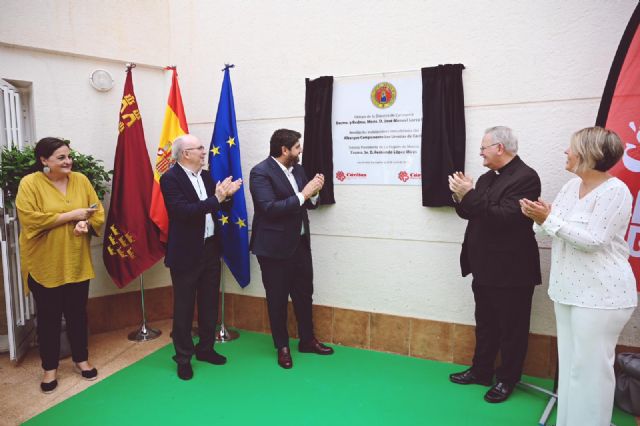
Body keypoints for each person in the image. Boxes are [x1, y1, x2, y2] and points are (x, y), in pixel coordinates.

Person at [520, 126, 637, 426]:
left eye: (571, 147)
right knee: (572, 368)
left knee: (591, 372)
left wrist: (551, 220)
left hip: (602, 295)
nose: (566, 152)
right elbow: (545, 229)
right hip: (568, 292)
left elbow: (594, 240)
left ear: (591, 154)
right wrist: (541, 217)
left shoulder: (615, 191)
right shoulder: (570, 188)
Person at [447, 126, 541, 403]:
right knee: (485, 323)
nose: (480, 153)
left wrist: (471, 194)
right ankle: (481, 371)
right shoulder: (488, 178)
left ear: (499, 148)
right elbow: (471, 212)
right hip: (484, 265)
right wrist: (459, 195)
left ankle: (507, 379)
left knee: (512, 329)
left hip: (512, 270)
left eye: (483, 148)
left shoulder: (526, 178)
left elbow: (504, 217)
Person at [15, 137, 105, 394]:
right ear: (44, 160)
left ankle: (81, 360)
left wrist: (85, 224)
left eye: (68, 156)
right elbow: (31, 219)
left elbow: (95, 211)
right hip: (44, 264)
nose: (68, 162)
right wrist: (72, 216)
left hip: (76, 261)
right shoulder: (29, 183)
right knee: (49, 319)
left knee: (78, 314)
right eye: (61, 158)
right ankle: (49, 369)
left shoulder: (81, 180)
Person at [249, 128, 334, 369]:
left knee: (304, 294)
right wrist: (304, 193)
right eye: (297, 147)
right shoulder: (260, 172)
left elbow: (306, 203)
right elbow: (269, 208)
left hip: (299, 245)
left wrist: (314, 194)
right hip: (273, 249)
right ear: (284, 150)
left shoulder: (298, 169)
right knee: (277, 299)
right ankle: (282, 347)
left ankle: (307, 340)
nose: (301, 150)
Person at [160, 134, 242, 380]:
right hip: (185, 253)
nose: (204, 152)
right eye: (199, 148)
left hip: (210, 249)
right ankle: (183, 358)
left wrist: (226, 196)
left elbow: (218, 208)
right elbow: (183, 212)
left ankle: (205, 349)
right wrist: (216, 198)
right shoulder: (170, 179)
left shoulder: (205, 177)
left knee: (209, 303)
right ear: (185, 154)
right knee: (184, 308)